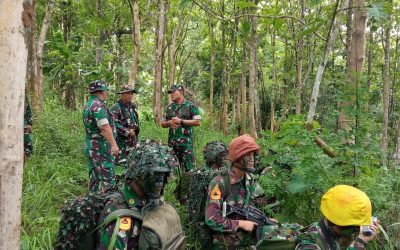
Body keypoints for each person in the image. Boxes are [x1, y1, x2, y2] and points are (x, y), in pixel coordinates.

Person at [97, 140, 185, 250]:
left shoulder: (153, 199)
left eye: (164, 176)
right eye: (154, 175)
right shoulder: (121, 213)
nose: (161, 182)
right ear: (137, 175)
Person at [205, 134, 270, 249]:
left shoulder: (248, 179)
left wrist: (265, 220)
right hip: (226, 243)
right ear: (237, 157)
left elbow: (248, 209)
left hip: (246, 239)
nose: (252, 159)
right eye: (247, 155)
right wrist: (240, 224)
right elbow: (211, 219)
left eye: (253, 155)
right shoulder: (220, 183)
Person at [295, 185, 380, 250]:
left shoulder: (330, 233)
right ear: (335, 223)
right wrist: (360, 242)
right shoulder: (309, 245)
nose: (355, 232)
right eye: (352, 228)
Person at [160, 84, 201, 204]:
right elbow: (162, 123)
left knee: (189, 170)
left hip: (186, 145)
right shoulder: (170, 108)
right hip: (172, 145)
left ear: (181, 92)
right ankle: (168, 195)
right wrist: (169, 123)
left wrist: (181, 121)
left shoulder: (190, 106)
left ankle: (186, 196)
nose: (171, 94)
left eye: (173, 92)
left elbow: (197, 122)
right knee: (171, 170)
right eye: (170, 93)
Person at [187, 141, 229, 249]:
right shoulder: (203, 175)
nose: (225, 158)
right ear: (213, 156)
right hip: (204, 222)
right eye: (222, 155)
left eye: (225, 154)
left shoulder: (223, 173)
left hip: (217, 219)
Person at [83, 80, 119, 193]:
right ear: (102, 91)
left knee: (95, 178)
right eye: (106, 90)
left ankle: (93, 202)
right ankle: (108, 206)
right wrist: (114, 145)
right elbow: (104, 127)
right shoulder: (98, 106)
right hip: (100, 148)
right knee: (108, 179)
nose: (107, 93)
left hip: (92, 147)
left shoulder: (89, 104)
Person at [110, 85, 140, 161]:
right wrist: (128, 131)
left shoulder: (133, 106)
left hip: (133, 140)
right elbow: (113, 124)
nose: (130, 96)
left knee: (132, 161)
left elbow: (135, 121)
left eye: (131, 94)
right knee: (121, 163)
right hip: (121, 142)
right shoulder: (116, 107)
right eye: (128, 93)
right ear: (122, 94)